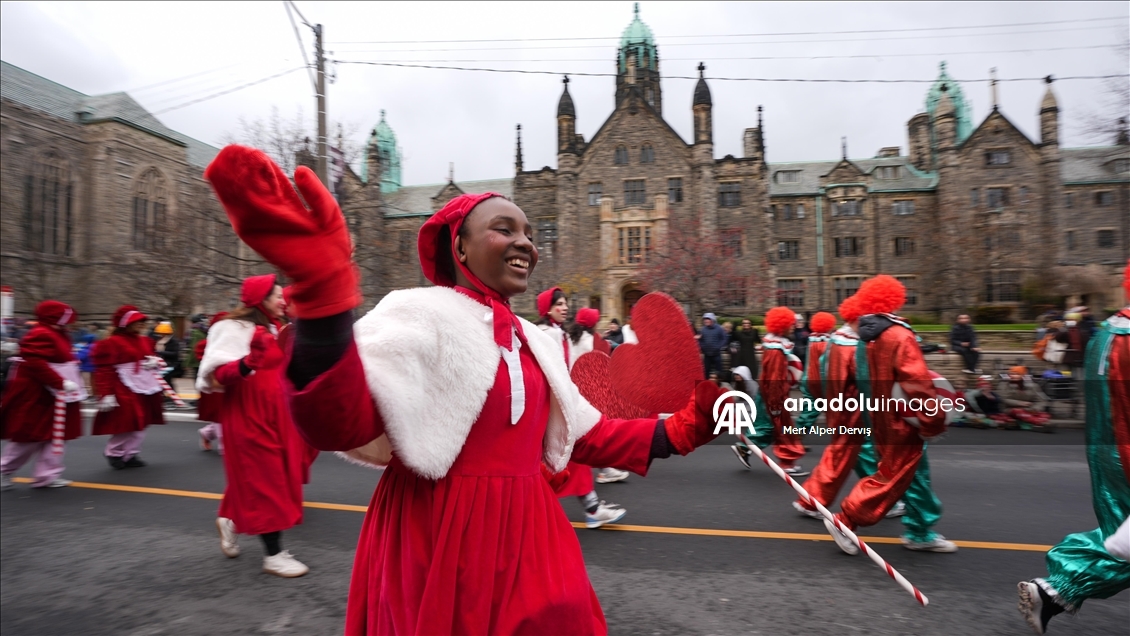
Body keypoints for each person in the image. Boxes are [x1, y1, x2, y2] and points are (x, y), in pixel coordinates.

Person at [204, 145, 731, 634]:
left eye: (528, 233)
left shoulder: (535, 341)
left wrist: (685, 429)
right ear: (459, 245)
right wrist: (323, 294)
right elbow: (338, 422)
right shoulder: (416, 312)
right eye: (504, 229)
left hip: (532, 532)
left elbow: (586, 434)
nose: (526, 242)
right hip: (437, 533)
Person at [1018, 265, 1130, 634]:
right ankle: (1059, 585)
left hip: (1108, 452)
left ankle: (1055, 590)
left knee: (1120, 535)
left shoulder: (1108, 331)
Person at [824, 276, 957, 554]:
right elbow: (918, 384)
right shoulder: (899, 335)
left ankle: (920, 530)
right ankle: (846, 519)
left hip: (880, 417)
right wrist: (932, 423)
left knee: (910, 476)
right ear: (895, 299)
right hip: (903, 422)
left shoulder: (866, 338)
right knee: (896, 475)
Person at [197, 274, 309, 578]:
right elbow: (218, 377)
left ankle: (231, 521)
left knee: (273, 476)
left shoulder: (276, 328)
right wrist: (249, 361)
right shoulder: (231, 328)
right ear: (261, 299)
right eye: (277, 296)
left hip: (279, 413)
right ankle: (274, 555)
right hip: (249, 415)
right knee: (266, 482)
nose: (283, 300)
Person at [538, 287, 628, 525]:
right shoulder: (547, 334)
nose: (565, 307)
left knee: (572, 457)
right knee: (567, 457)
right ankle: (592, 504)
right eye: (559, 304)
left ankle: (592, 507)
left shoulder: (562, 334)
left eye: (565, 303)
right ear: (547, 308)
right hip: (554, 405)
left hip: (566, 400)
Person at [0, 301, 85, 490]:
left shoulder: (59, 333)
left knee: (57, 435)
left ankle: (47, 475)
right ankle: (3, 470)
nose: (70, 321)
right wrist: (60, 382)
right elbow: (34, 362)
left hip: (57, 393)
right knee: (30, 436)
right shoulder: (41, 333)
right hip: (38, 394)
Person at [734, 306, 807, 476]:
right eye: (791, 324)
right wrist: (776, 404)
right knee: (783, 430)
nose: (793, 327)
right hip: (775, 396)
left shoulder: (774, 345)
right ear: (783, 326)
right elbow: (775, 379)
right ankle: (787, 463)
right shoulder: (776, 350)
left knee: (768, 426)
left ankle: (745, 448)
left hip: (769, 394)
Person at [91, 306, 165, 469]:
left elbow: (154, 358)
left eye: (143, 321)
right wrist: (106, 393)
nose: (141, 324)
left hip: (145, 385)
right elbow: (104, 370)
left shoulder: (145, 340)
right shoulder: (111, 343)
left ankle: (130, 453)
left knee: (143, 421)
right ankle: (114, 452)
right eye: (137, 321)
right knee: (128, 421)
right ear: (126, 323)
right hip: (122, 386)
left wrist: (154, 361)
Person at [569, 308, 628, 485]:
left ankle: (604, 469)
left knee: (587, 432)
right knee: (595, 431)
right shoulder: (590, 341)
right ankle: (604, 470)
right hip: (589, 392)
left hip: (574, 388)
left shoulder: (572, 338)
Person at [792, 312, 835, 432]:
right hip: (821, 381)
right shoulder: (826, 343)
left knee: (808, 413)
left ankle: (795, 436)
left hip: (808, 379)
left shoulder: (812, 340)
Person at [196, 312, 227, 454]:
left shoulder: (236, 343)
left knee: (228, 414)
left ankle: (207, 433)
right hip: (215, 385)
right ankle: (225, 446)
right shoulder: (206, 344)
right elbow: (204, 361)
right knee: (220, 415)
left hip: (231, 382)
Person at [998, 366, 1053, 431]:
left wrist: (1035, 409)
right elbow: (1003, 399)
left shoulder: (1034, 386)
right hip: (1010, 409)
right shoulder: (1004, 385)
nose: (1013, 376)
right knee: (1018, 411)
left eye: (1017, 374)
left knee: (1044, 414)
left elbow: (1041, 400)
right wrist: (1020, 403)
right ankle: (1040, 423)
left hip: (1029, 409)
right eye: (1011, 374)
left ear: (1023, 375)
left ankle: (1038, 425)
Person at [698, 312, 729, 380]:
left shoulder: (719, 328)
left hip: (716, 354)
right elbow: (700, 340)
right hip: (707, 355)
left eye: (708, 319)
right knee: (706, 371)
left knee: (719, 371)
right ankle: (706, 384)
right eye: (705, 319)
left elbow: (724, 339)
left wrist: (719, 346)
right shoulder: (702, 329)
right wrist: (702, 347)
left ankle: (719, 384)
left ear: (712, 320)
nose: (706, 321)